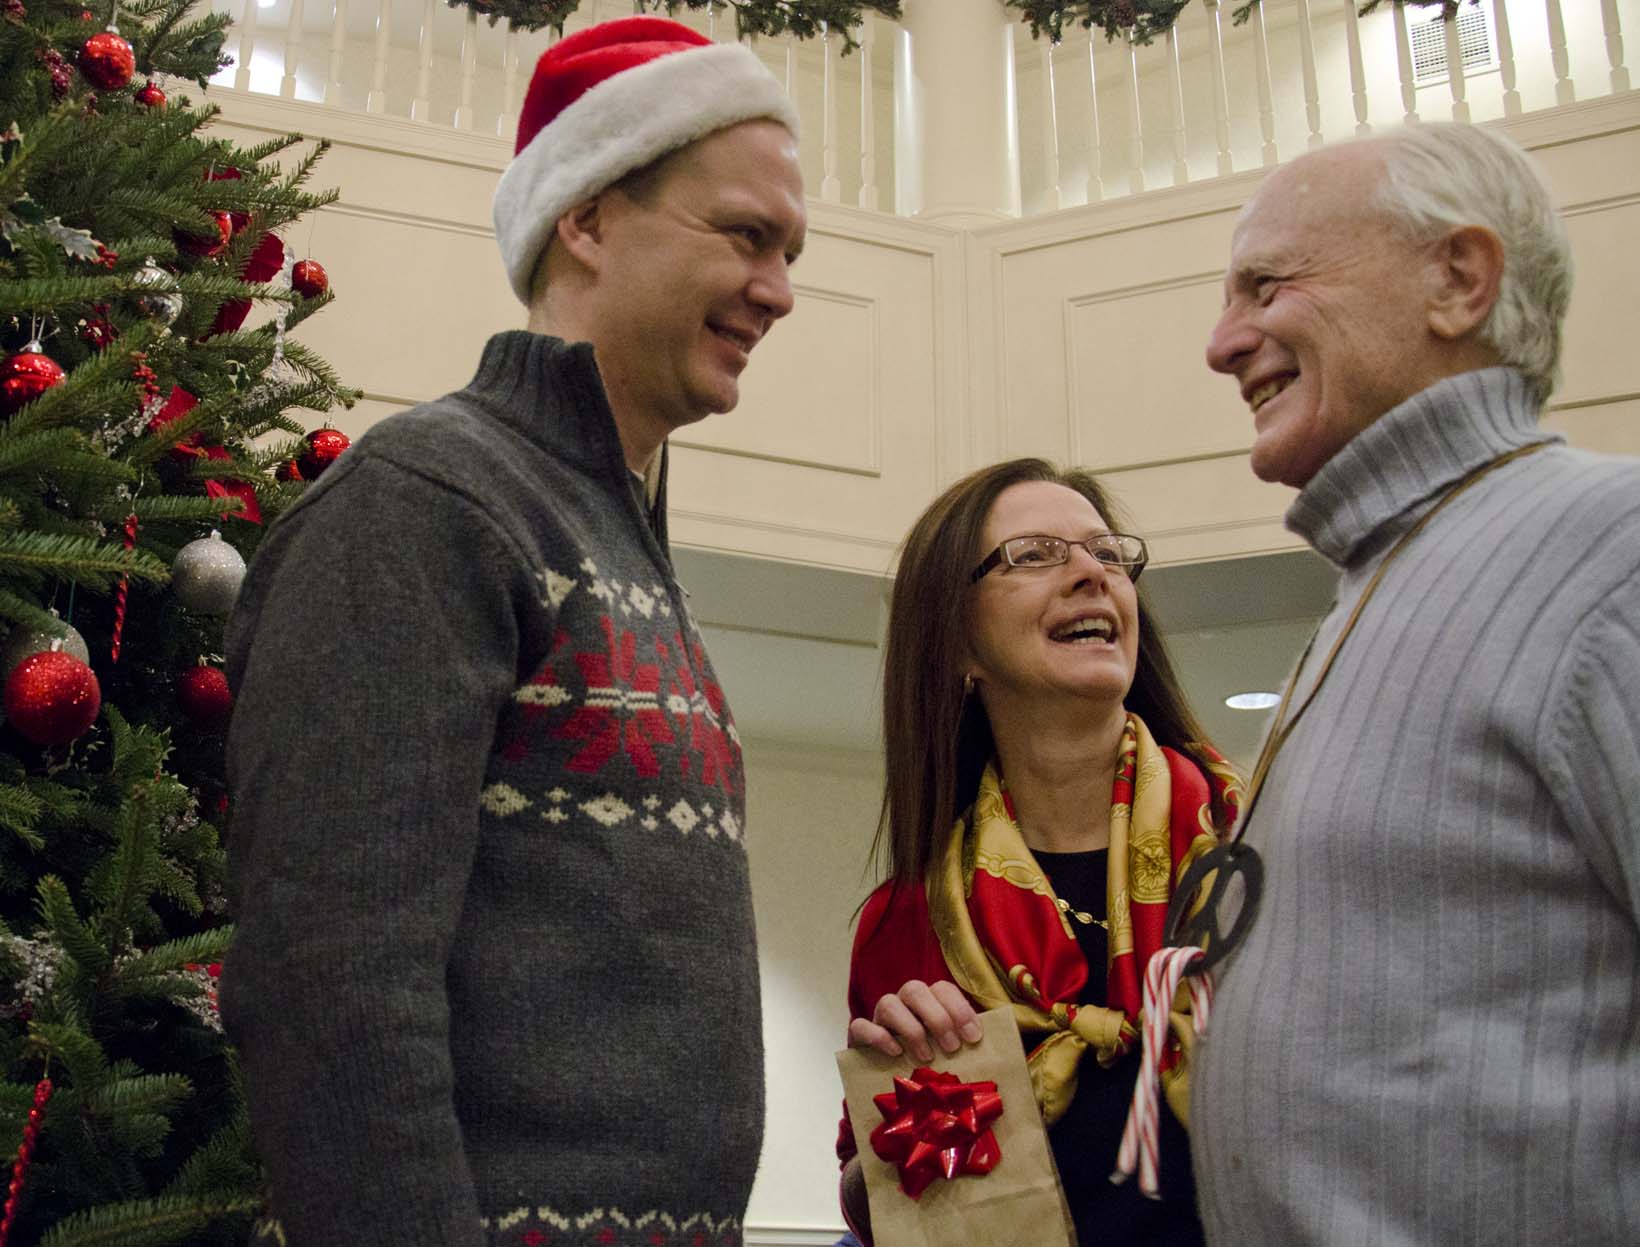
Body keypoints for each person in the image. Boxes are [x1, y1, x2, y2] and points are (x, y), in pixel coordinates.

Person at [221, 18, 805, 1247]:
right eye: (747, 236)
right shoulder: (432, 501)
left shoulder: (613, 535)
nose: (781, 291)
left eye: (791, 252)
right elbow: (331, 990)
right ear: (587, 218)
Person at [1193, 123, 1640, 1244]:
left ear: (1458, 279)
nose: (1222, 341)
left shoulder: (1613, 551)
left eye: (1266, 283)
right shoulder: (1376, 579)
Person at [837, 458, 1245, 1247]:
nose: (1092, 573)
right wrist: (913, 1112)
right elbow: (870, 1208)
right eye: (1034, 554)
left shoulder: (1252, 848)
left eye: (1107, 554)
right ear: (959, 643)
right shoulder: (909, 923)